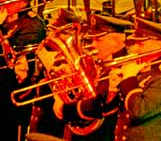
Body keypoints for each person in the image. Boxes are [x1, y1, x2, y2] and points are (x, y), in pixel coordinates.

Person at [39, 13, 134, 141]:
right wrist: (60, 90)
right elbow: (79, 92)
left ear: (116, 41)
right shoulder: (95, 62)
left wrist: (65, 108)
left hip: (102, 134)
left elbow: (98, 102)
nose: (93, 44)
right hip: (81, 129)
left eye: (98, 40)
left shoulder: (123, 67)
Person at [109, 16, 161, 141]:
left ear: (157, 45)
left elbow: (139, 111)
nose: (135, 49)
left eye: (141, 44)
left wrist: (129, 79)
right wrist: (112, 90)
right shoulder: (138, 71)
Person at [0, 0, 47, 141]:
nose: (0, 0)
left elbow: (16, 68)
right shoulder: (8, 19)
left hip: (13, 97)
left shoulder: (32, 26)